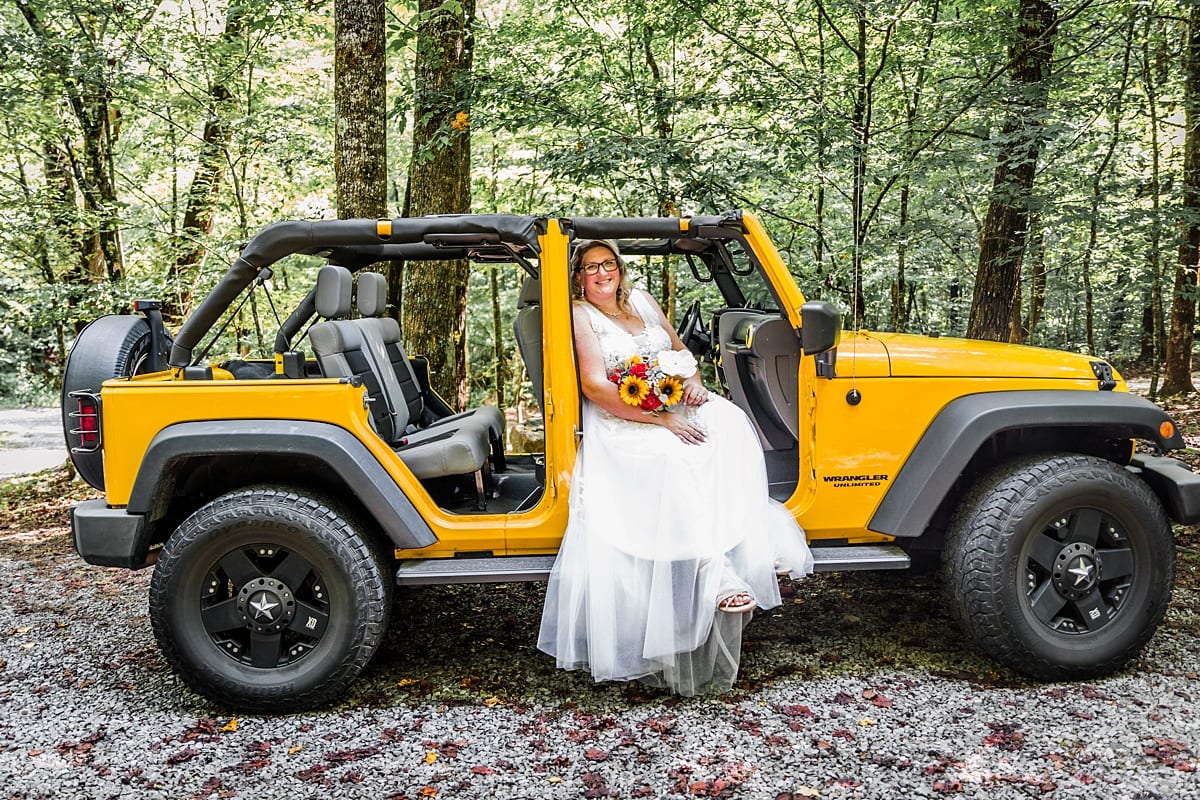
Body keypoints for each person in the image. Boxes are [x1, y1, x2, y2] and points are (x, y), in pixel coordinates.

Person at [537, 239, 813, 696]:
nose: (602, 274)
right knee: (671, 454)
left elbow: (680, 352)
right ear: (579, 277)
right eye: (590, 268)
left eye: (608, 264)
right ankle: (713, 568)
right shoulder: (580, 314)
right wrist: (661, 417)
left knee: (728, 420)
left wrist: (694, 385)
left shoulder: (642, 300)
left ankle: (746, 540)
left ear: (619, 269)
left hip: (666, 404)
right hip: (620, 419)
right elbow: (594, 385)